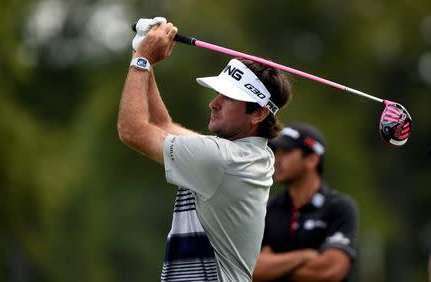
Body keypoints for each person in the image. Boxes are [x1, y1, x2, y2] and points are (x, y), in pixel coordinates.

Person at [117, 18, 292, 281]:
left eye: (229, 98)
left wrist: (141, 60)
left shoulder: (221, 159)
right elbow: (162, 124)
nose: (214, 103)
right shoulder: (249, 154)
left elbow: (132, 130)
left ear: (257, 113)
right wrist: (143, 54)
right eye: (218, 93)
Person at [253, 122, 358, 281]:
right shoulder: (268, 208)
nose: (277, 159)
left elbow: (330, 271)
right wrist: (305, 256)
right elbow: (252, 269)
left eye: (287, 152)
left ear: (311, 159)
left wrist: (274, 267)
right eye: (276, 151)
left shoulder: (340, 207)